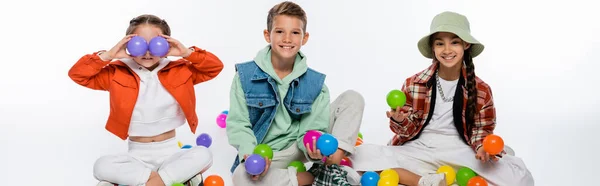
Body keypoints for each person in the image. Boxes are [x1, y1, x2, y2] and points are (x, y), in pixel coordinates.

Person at [350, 11, 535, 186]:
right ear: (433, 47)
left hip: (458, 151)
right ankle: (425, 181)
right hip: (418, 149)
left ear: (466, 45)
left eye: (454, 42)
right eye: (440, 43)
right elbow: (407, 132)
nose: (447, 50)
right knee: (358, 154)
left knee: (520, 176)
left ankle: (427, 175)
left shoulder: (481, 89)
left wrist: (481, 148)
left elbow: (482, 129)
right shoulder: (414, 83)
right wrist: (400, 121)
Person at [67, 14, 224, 186]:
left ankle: (144, 181)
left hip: (170, 152)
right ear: (128, 45)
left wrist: (187, 53)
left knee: (203, 154)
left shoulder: (180, 70)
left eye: (156, 44)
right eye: (139, 44)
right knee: (101, 166)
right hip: (136, 156)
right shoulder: (116, 72)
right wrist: (108, 55)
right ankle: (173, 179)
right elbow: (78, 74)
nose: (148, 52)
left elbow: (214, 67)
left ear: (166, 44)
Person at [226, 1, 364, 185]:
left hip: (301, 147)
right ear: (268, 35)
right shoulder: (245, 76)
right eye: (280, 31)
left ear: (304, 38)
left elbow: (311, 128)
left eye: (295, 32)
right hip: (270, 154)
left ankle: (331, 166)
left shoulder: (315, 83)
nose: (287, 39)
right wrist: (252, 155)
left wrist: (312, 148)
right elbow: (239, 124)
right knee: (240, 176)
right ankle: (315, 177)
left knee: (353, 98)